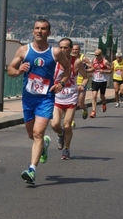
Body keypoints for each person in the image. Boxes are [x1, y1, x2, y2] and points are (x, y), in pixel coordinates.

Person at [7, 19, 71, 185]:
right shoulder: (23, 50)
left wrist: (61, 83)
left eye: (43, 29)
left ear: (49, 33)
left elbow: (68, 68)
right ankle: (44, 146)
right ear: (32, 31)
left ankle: (32, 170)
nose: (39, 31)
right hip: (28, 98)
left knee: (38, 133)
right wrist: (19, 70)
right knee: (31, 134)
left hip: (46, 98)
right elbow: (10, 70)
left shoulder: (55, 52)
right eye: (36, 28)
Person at [51, 38, 88, 160]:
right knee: (55, 124)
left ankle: (66, 148)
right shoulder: (54, 61)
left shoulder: (76, 62)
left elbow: (85, 77)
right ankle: (60, 134)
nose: (62, 50)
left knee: (67, 125)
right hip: (57, 98)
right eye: (60, 47)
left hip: (71, 98)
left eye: (65, 47)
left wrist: (82, 85)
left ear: (71, 49)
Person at [86, 49, 112, 118]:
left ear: (101, 54)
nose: (96, 57)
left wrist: (104, 71)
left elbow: (110, 70)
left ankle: (104, 103)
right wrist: (90, 73)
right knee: (94, 95)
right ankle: (93, 111)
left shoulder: (105, 61)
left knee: (102, 96)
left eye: (98, 55)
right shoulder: (93, 60)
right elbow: (91, 68)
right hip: (95, 80)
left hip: (103, 81)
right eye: (95, 55)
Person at [72, 43, 90, 120]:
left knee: (80, 103)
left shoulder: (84, 58)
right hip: (73, 83)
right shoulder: (70, 58)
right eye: (73, 49)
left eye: (76, 49)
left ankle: (85, 108)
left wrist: (83, 70)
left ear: (79, 50)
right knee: (72, 104)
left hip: (82, 82)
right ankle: (71, 121)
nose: (75, 51)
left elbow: (92, 68)